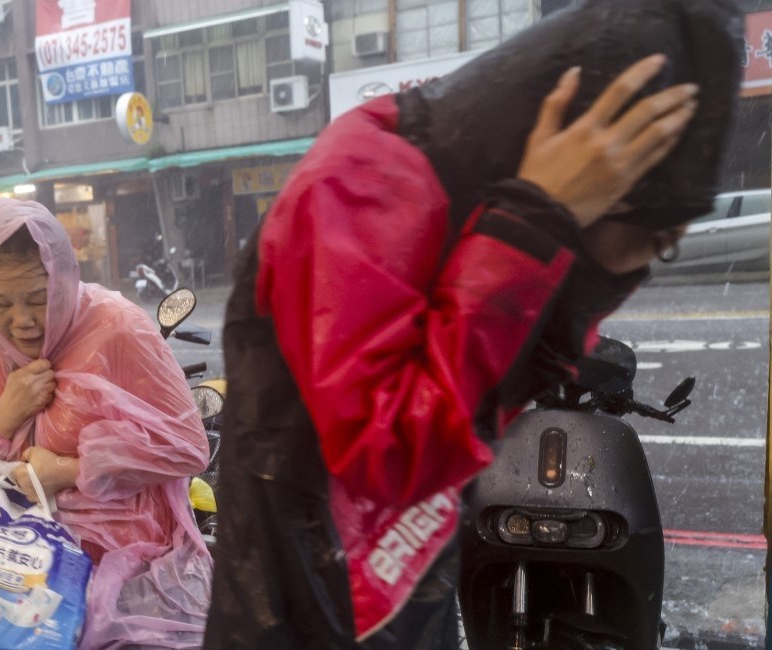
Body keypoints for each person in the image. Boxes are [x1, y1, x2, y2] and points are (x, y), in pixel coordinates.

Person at [203, 0, 743, 647]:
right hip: (304, 607)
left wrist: (570, 251)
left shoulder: (478, 189)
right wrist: (534, 226)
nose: (649, 254)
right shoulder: (361, 181)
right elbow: (391, 451)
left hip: (406, 580)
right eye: (650, 230)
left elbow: (502, 389)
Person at [0, 198, 213, 648]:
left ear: (64, 281)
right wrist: (3, 416)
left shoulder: (119, 330)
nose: (20, 321)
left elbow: (187, 445)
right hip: (3, 580)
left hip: (123, 585)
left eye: (39, 300)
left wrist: (68, 470)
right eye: (0, 302)